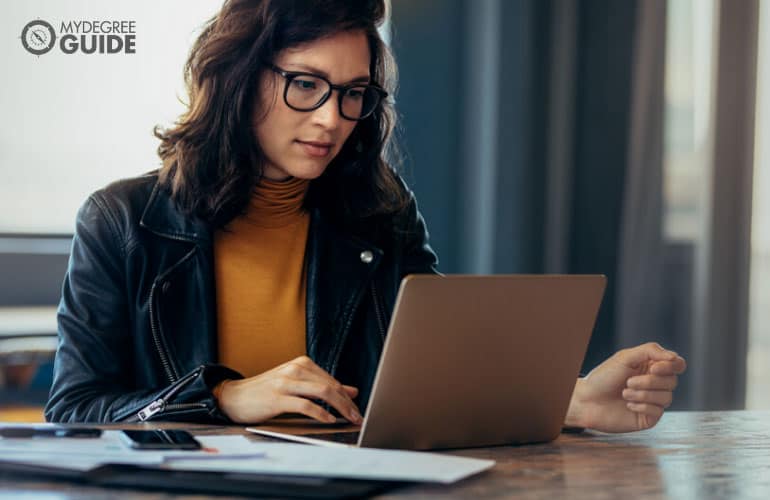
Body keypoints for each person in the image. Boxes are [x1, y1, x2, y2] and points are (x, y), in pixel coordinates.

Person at [44, 0, 686, 432]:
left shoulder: (379, 210)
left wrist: (568, 400)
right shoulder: (122, 220)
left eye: (353, 93)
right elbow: (73, 412)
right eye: (305, 84)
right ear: (238, 79)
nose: (331, 118)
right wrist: (221, 398)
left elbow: (434, 377)